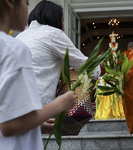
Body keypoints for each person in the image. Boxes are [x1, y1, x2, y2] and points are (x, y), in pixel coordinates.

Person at [0, 0, 76, 149]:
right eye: (27, 3)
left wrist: (35, 124)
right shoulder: (14, 49)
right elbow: (8, 125)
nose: (28, 11)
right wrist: (61, 103)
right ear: (10, 2)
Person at [16, 0, 101, 106]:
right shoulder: (53, 33)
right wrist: (100, 69)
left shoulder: (19, 37)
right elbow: (87, 67)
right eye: (62, 21)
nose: (64, 27)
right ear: (54, 18)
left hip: (14, 104)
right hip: (38, 105)